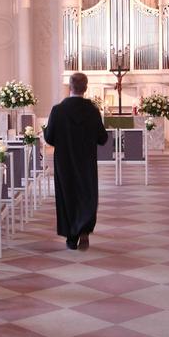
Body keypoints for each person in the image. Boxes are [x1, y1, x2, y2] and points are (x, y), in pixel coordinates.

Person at [44, 73, 108, 250]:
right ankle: (84, 229)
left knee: (67, 195)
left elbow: (49, 138)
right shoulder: (92, 110)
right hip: (86, 161)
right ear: (85, 88)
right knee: (87, 194)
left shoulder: (58, 110)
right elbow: (102, 138)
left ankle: (71, 238)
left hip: (64, 162)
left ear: (70, 87)